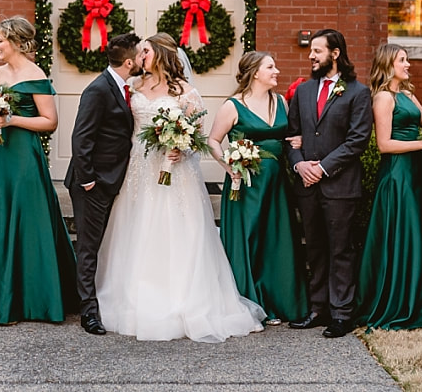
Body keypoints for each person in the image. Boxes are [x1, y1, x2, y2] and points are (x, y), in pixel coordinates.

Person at [96, 33, 265, 342]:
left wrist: (182, 149)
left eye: (144, 50)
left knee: (176, 230)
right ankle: (133, 296)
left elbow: (197, 138)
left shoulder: (186, 92)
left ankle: (181, 299)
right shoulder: (133, 87)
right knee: (136, 228)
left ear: (159, 53)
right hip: (138, 168)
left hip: (176, 172)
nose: (140, 55)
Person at [0, 16, 77, 324]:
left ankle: (33, 299)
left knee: (25, 220)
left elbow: (50, 121)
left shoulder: (35, 74)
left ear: (16, 42)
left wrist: (12, 120)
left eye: (0, 40)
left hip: (22, 158)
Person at [356, 43, 422, 330]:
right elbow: (384, 144)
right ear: (388, 64)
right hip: (397, 175)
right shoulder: (383, 98)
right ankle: (398, 303)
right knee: (402, 234)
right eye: (402, 60)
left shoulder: (408, 95)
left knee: (420, 235)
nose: (408, 64)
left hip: (415, 174)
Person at [206, 51, 309, 325]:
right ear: (254, 73)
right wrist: (229, 165)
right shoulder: (233, 106)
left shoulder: (280, 103)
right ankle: (248, 303)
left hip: (276, 184)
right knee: (248, 238)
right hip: (246, 184)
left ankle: (277, 301)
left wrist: (295, 142)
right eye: (270, 67)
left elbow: (286, 138)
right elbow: (213, 141)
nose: (276, 71)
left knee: (275, 240)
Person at [286, 29, 373, 338]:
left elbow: (358, 140)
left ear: (335, 54)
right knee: (316, 249)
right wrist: (298, 163)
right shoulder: (303, 92)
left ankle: (341, 313)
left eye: (317, 51)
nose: (311, 56)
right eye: (311, 51)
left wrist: (322, 168)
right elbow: (291, 135)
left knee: (341, 249)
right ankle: (318, 308)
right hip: (307, 186)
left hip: (340, 186)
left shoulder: (358, 92)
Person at [66, 32, 142, 336]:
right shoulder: (98, 89)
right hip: (93, 183)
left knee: (102, 245)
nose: (142, 61)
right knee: (88, 247)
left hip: (114, 180)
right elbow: (81, 138)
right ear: (128, 62)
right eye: (139, 57)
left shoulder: (124, 87)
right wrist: (87, 181)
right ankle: (88, 312)